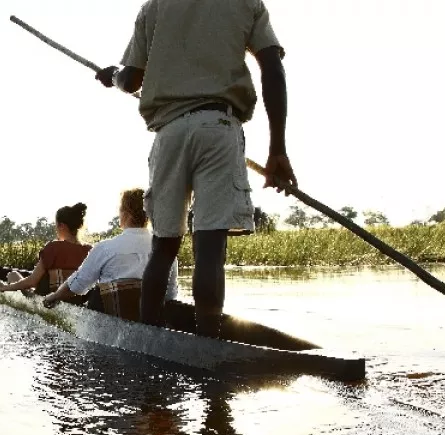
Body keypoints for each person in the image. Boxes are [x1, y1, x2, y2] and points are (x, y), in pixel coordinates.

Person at [92, 0, 298, 337]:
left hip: (169, 133)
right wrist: (277, 148)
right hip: (218, 127)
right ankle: (207, 345)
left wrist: (112, 76)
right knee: (210, 247)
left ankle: (149, 340)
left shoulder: (155, 7)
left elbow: (130, 80)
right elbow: (272, 68)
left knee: (164, 247)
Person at [41, 189, 179, 322]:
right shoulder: (164, 251)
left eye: (120, 210)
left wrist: (54, 296)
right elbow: (170, 294)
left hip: (114, 323)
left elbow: (78, 285)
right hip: (151, 323)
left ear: (126, 214)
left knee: (96, 292)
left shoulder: (106, 248)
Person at [0, 203, 92, 303]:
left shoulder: (53, 247)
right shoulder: (90, 250)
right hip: (76, 301)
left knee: (12, 275)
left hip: (47, 299)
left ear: (62, 226)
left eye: (56, 225)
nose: (56, 229)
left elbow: (32, 281)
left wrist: (4, 287)